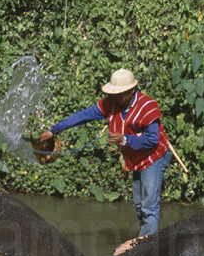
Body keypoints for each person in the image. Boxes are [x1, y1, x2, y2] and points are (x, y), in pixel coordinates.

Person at [39, 68, 171, 236]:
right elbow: (84, 115)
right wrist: (54, 130)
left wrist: (124, 139)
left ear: (131, 91)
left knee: (148, 206)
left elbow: (152, 139)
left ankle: (146, 245)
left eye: (119, 94)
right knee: (139, 204)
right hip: (136, 157)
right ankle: (146, 237)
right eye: (113, 94)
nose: (115, 97)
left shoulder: (147, 106)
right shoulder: (112, 103)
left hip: (154, 156)